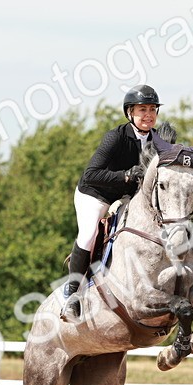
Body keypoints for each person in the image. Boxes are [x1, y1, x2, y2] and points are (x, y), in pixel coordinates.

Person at [61, 84, 161, 319]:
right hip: (95, 193)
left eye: (152, 110)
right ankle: (73, 295)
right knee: (88, 234)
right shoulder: (115, 137)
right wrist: (125, 175)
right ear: (130, 113)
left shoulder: (158, 141)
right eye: (142, 110)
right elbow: (91, 174)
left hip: (125, 196)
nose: (148, 115)